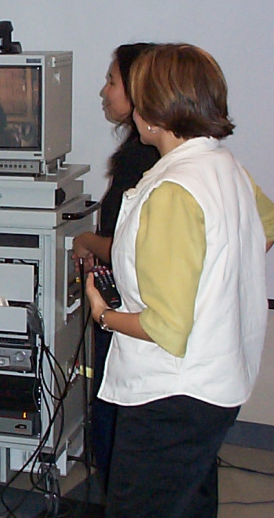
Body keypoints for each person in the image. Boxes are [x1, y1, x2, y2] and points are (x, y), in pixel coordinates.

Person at [84, 43, 274, 517]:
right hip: (215, 384)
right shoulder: (222, 164)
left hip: (170, 396)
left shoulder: (171, 189)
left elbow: (166, 328)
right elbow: (265, 226)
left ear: (154, 109)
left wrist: (104, 314)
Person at [71, 43, 159, 492]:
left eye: (111, 81)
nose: (103, 91)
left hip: (128, 314)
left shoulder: (149, 161)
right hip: (125, 302)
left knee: (114, 405)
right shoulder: (139, 152)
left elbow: (133, 250)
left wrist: (87, 241)